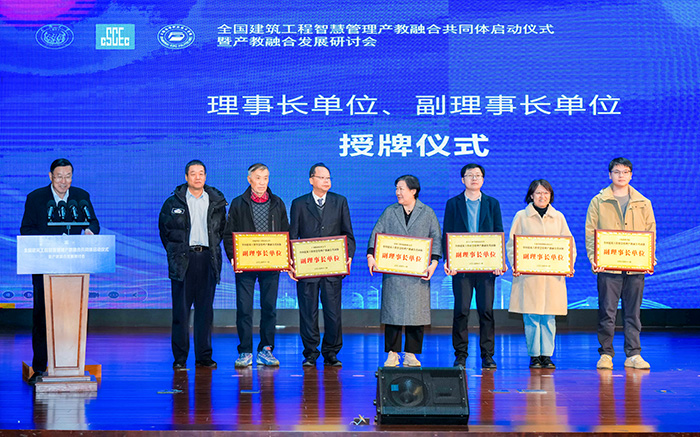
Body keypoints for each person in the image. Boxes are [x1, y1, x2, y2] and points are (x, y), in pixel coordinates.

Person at [20, 158, 100, 384]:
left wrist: (90, 232)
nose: (64, 181)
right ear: (50, 176)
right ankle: (39, 368)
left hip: (75, 268)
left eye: (68, 176)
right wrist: (50, 244)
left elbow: (93, 223)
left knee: (72, 318)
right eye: (59, 177)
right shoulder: (36, 198)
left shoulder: (81, 196)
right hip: (44, 267)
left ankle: (71, 367)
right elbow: (26, 229)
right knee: (42, 317)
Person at [585, 157, 656, 370]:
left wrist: (649, 256)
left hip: (635, 266)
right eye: (617, 172)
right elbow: (590, 232)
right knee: (607, 312)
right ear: (610, 175)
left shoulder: (643, 202)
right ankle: (606, 354)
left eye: (625, 172)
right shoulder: (598, 201)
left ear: (631, 175)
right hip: (608, 266)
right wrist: (594, 258)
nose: (621, 175)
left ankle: (633, 354)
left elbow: (650, 232)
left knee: (633, 312)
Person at [158, 160, 227, 370]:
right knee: (181, 313)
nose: (198, 177)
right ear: (186, 177)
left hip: (207, 259)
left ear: (205, 176)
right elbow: (165, 232)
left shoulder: (216, 201)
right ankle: (180, 358)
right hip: (183, 260)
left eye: (201, 173)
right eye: (193, 173)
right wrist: (176, 252)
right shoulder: (173, 203)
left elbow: (221, 231)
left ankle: (204, 356)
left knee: (205, 312)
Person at [367, 175, 441, 368]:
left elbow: (436, 238)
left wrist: (434, 263)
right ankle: (392, 354)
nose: (397, 192)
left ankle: (411, 354)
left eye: (401, 188)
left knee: (416, 315)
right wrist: (370, 256)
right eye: (396, 188)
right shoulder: (390, 211)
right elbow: (376, 233)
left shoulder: (427, 213)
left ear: (413, 191)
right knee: (392, 314)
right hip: (394, 273)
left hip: (418, 274)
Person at [289, 163, 355, 367]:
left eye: (328, 178)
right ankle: (310, 352)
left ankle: (331, 352)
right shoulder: (299, 203)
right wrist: (291, 262)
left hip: (332, 268)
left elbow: (348, 234)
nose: (327, 181)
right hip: (308, 268)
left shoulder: (339, 201)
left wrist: (348, 256)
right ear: (311, 180)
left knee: (333, 313)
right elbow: (293, 236)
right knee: (308, 312)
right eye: (322, 178)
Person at [224, 163, 289, 367]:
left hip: (271, 263)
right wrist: (233, 257)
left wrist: (285, 258)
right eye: (258, 178)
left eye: (266, 178)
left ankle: (266, 350)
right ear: (249, 179)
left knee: (269, 308)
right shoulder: (238, 203)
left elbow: (285, 233)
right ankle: (245, 351)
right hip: (246, 264)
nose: (262, 182)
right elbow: (228, 233)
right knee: (244, 308)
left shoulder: (277, 203)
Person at [506, 179, 575, 369]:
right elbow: (512, 244)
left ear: (550, 196)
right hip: (529, 277)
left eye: (546, 193)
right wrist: (516, 264)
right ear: (531, 195)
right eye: (538, 193)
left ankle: (547, 355)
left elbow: (569, 245)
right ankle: (534, 355)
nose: (542, 196)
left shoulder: (558, 217)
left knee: (549, 317)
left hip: (552, 276)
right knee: (532, 317)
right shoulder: (521, 216)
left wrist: (568, 265)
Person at [443, 163, 505, 370]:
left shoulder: (492, 203)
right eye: (470, 175)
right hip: (461, 267)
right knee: (461, 311)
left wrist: (499, 261)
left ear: (483, 179)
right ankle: (460, 354)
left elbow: (498, 232)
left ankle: (487, 355)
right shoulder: (453, 204)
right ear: (463, 179)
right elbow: (447, 233)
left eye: (478, 175)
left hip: (486, 267)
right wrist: (449, 260)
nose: (474, 178)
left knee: (486, 311)